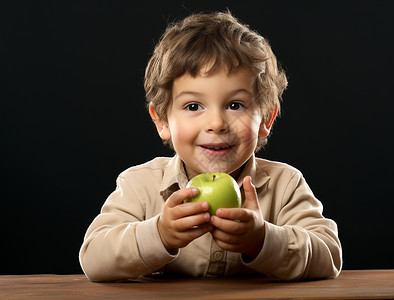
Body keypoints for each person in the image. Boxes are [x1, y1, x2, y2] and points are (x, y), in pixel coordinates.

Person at [79, 11, 342, 282]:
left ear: (266, 119)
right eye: (193, 106)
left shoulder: (284, 184)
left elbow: (329, 256)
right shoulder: (140, 185)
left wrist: (262, 240)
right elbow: (94, 258)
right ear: (162, 120)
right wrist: (159, 234)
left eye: (235, 105)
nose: (216, 123)